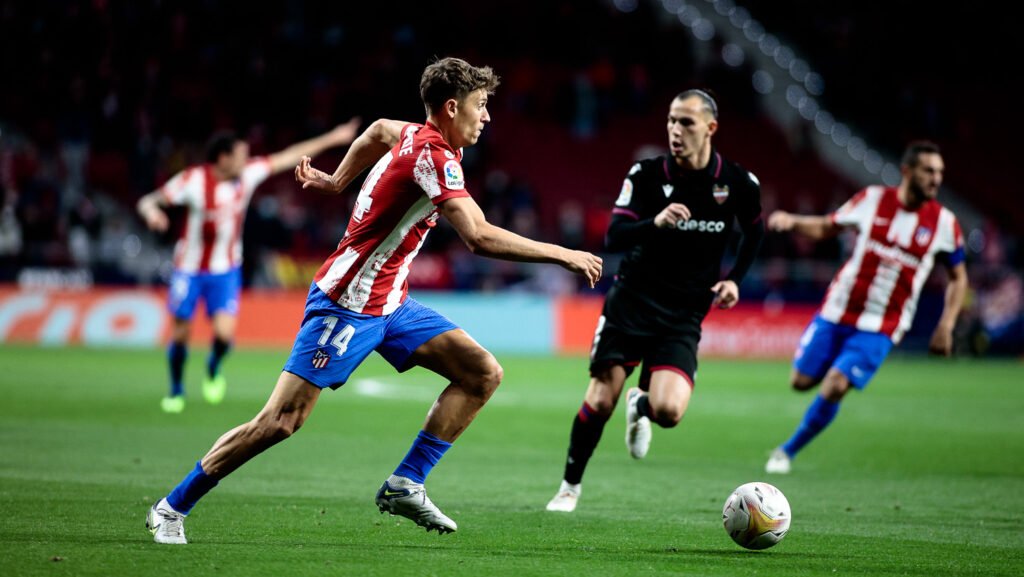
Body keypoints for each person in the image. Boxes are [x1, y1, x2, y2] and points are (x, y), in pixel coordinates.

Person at [145, 57, 602, 544]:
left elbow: (378, 129)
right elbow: (478, 236)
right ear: (452, 107)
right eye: (481, 105)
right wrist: (563, 253)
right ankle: (172, 505)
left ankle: (406, 482)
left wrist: (338, 181)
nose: (487, 116)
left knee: (481, 373)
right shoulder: (435, 156)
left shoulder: (417, 135)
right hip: (346, 303)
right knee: (280, 421)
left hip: (392, 304)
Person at [545, 89, 765, 513]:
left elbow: (755, 233)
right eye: (670, 121)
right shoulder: (647, 175)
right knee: (600, 397)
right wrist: (655, 222)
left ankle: (641, 403)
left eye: (686, 122)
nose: (675, 131)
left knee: (668, 411)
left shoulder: (737, 182)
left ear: (710, 128)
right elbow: (614, 236)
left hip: (684, 312)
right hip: (632, 302)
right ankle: (569, 487)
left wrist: (735, 280)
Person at [764, 140, 967, 474]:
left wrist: (946, 324)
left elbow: (959, 278)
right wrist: (792, 221)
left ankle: (786, 451)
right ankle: (816, 396)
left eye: (939, 172)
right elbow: (829, 226)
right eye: (929, 171)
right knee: (800, 381)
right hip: (837, 309)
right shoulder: (872, 199)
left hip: (882, 324)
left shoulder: (945, 224)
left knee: (836, 384)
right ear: (907, 171)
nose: (936, 179)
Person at [136, 120, 360, 413]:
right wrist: (153, 213)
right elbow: (147, 202)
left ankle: (213, 368)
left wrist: (334, 136)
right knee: (180, 333)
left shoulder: (248, 175)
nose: (247, 160)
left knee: (225, 335)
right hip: (188, 269)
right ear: (223, 158)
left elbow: (290, 155)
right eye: (241, 155)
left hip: (225, 269)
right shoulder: (193, 180)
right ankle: (177, 390)